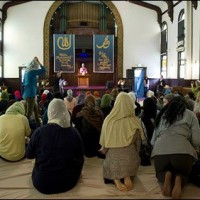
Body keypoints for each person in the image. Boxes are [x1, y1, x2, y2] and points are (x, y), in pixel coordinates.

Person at [26, 98, 84, 194]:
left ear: (49, 112)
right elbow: (80, 155)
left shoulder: (39, 132)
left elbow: (29, 155)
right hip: (69, 181)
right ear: (65, 111)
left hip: (42, 183)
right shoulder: (74, 132)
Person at [151, 96, 200, 199]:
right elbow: (197, 141)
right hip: (183, 152)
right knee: (185, 174)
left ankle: (166, 175)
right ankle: (179, 178)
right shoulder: (191, 114)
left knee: (159, 173)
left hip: (161, 151)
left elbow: (152, 141)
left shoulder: (161, 115)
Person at [99, 92, 144, 192]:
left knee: (111, 162)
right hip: (131, 159)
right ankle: (127, 175)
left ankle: (116, 179)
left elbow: (104, 145)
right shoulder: (135, 121)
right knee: (130, 158)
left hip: (113, 160)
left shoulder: (109, 120)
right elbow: (138, 145)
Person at [22, 57, 46, 127]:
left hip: (26, 94)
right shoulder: (32, 72)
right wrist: (38, 62)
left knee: (36, 112)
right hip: (30, 95)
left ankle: (39, 126)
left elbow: (24, 83)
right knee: (28, 114)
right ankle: (24, 128)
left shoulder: (26, 72)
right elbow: (44, 70)